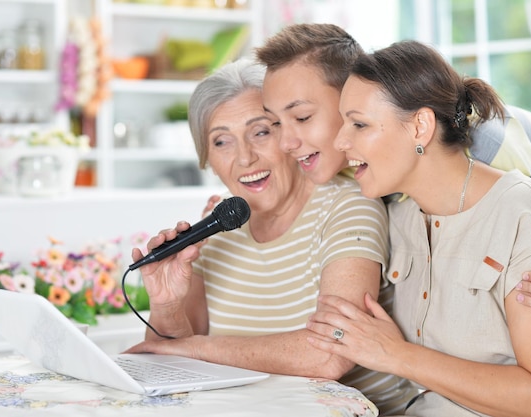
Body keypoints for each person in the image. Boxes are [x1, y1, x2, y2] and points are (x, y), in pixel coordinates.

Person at [126, 58, 417, 415]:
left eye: (261, 131)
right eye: (221, 142)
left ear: (290, 136)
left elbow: (330, 353)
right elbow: (169, 359)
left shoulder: (347, 203)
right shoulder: (217, 225)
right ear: (208, 160)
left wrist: (195, 347)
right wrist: (168, 303)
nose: (245, 157)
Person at [305, 39, 531, 416]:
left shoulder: (521, 212)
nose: (341, 141)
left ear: (420, 126)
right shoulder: (398, 217)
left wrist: (398, 356)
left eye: (359, 124)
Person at [256, 22, 531, 322]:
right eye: (275, 123)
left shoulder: (485, 144)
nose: (285, 143)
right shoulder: (342, 165)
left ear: (353, 95)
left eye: (302, 117)